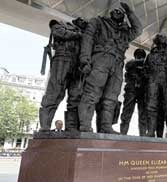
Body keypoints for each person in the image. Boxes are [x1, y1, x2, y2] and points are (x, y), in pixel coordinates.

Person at [77, 2, 142, 133]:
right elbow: (87, 39)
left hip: (117, 64)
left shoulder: (125, 32)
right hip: (101, 59)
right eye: (116, 10)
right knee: (91, 93)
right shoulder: (98, 22)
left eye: (121, 12)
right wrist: (85, 59)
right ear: (110, 12)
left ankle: (105, 126)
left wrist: (130, 12)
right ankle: (85, 124)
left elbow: (138, 30)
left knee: (111, 98)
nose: (118, 12)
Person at [39, 18, 86, 132]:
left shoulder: (85, 34)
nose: (83, 21)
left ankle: (71, 127)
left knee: (75, 97)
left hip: (76, 65)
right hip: (62, 60)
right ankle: (45, 126)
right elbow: (58, 32)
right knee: (54, 93)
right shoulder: (61, 24)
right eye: (81, 20)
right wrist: (78, 35)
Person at [120, 48, 148, 136]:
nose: (140, 57)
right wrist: (137, 63)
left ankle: (142, 134)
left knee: (143, 114)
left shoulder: (146, 66)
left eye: (141, 55)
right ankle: (123, 132)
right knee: (127, 112)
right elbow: (127, 67)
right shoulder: (131, 64)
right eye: (138, 55)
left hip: (142, 91)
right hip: (131, 90)